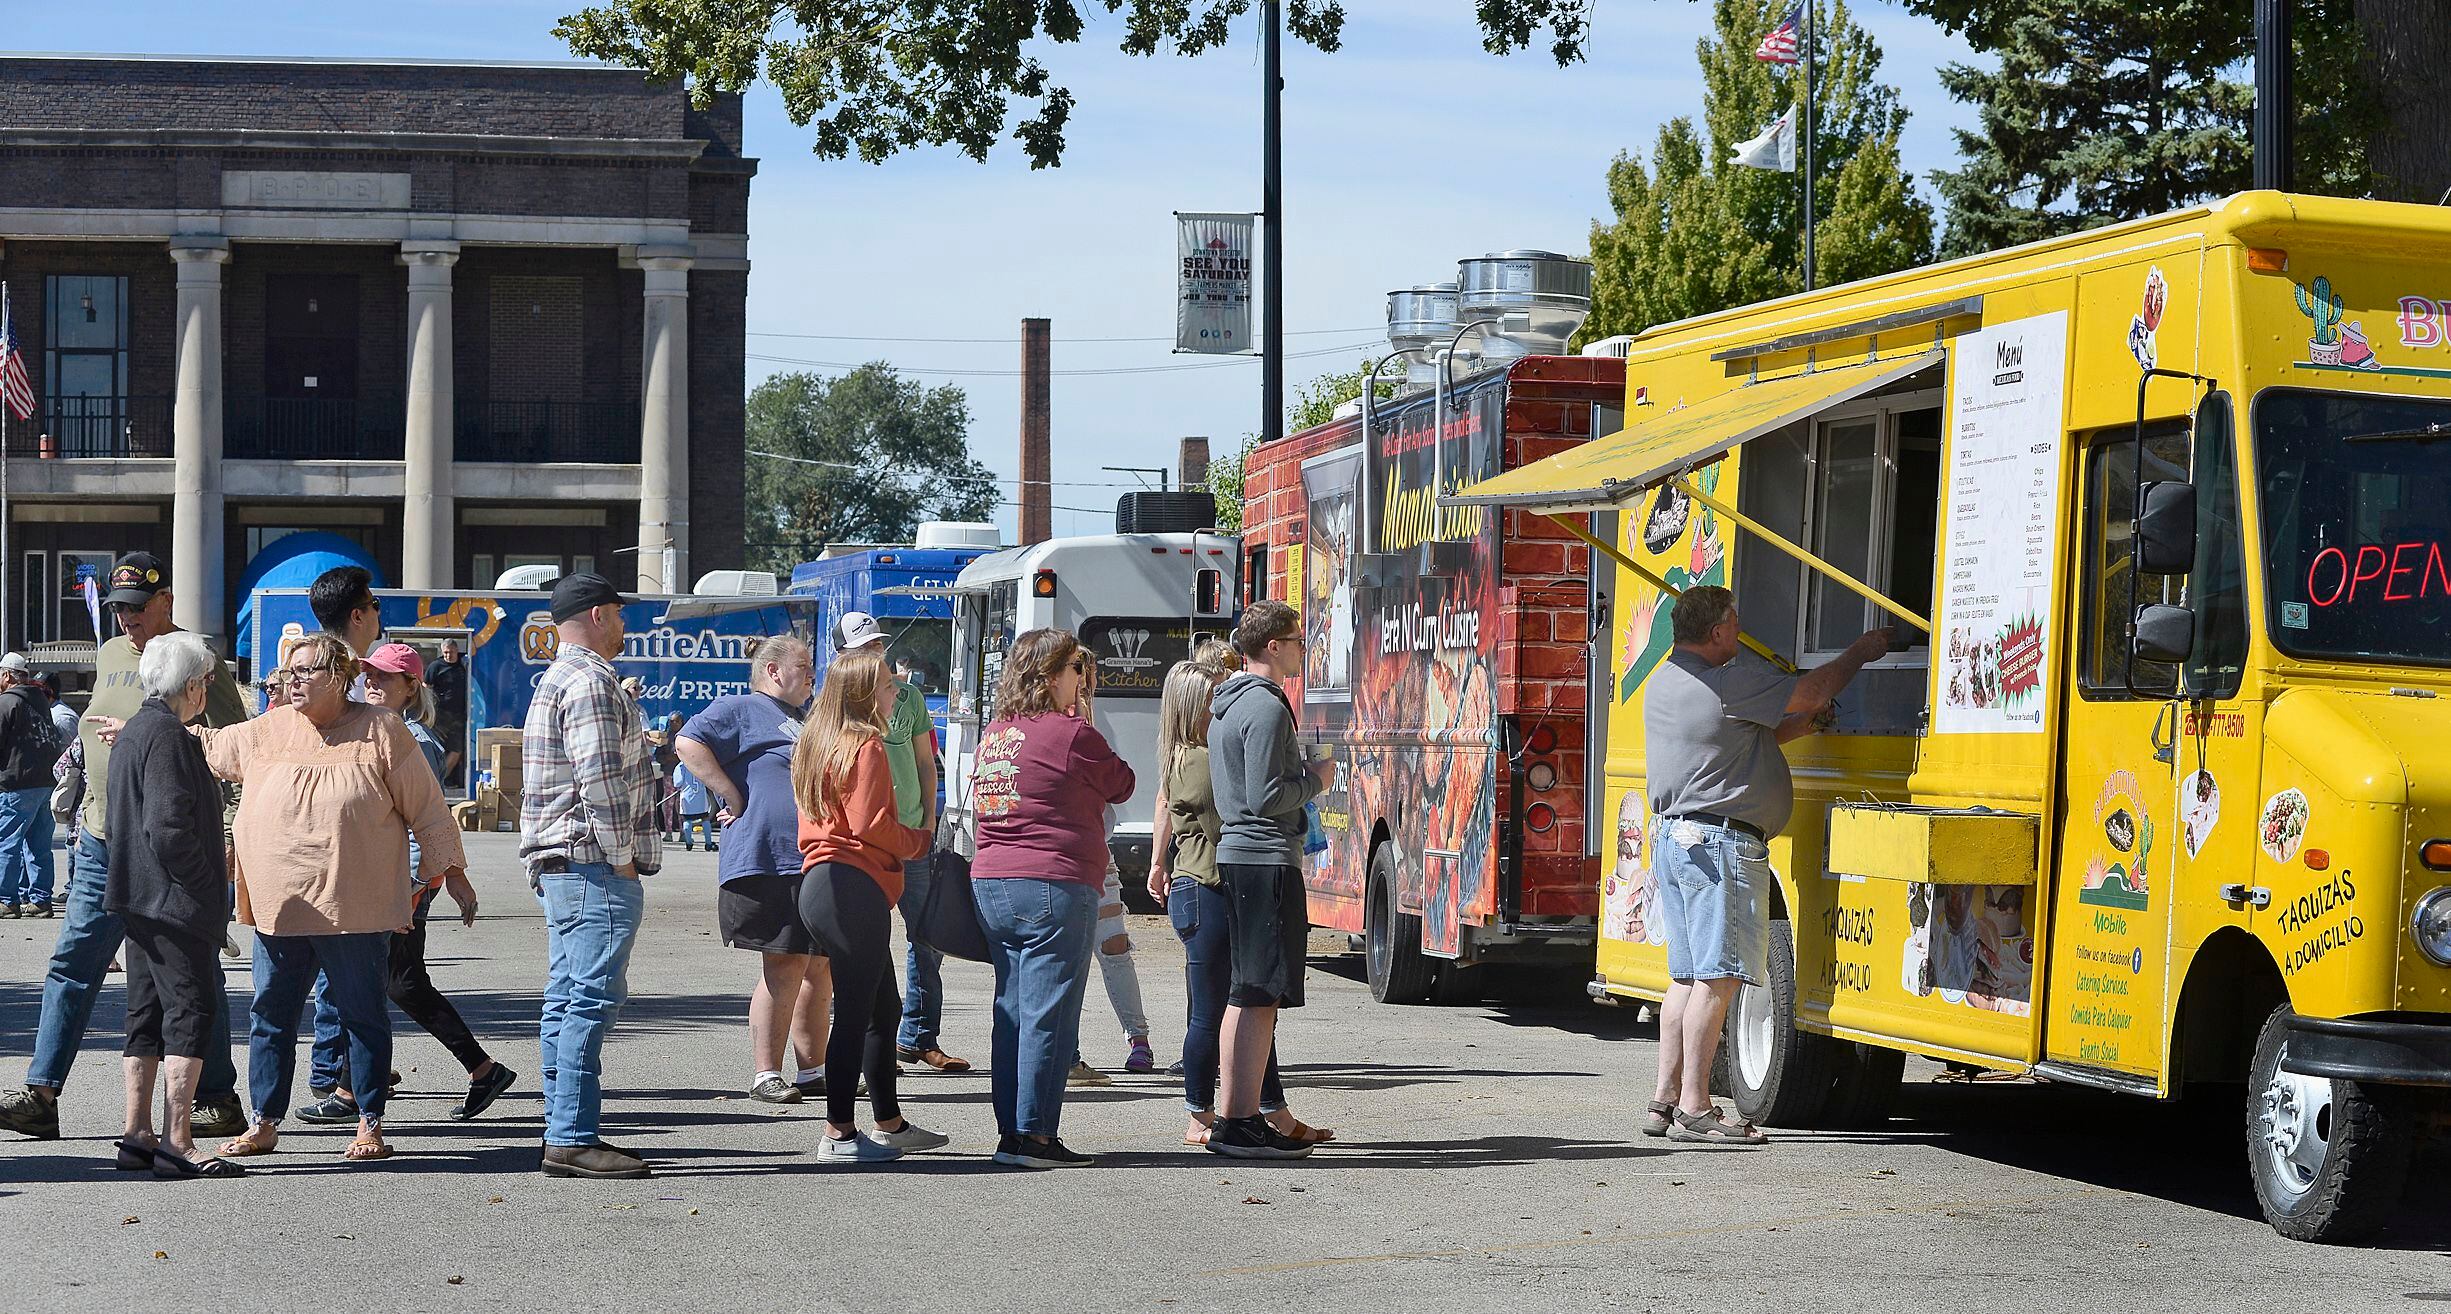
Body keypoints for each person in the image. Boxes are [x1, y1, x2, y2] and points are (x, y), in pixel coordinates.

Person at [0, 551, 252, 1142]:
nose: (127, 620)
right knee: (72, 964)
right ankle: (43, 1093)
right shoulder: (112, 654)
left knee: (193, 972)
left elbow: (229, 746)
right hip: (99, 838)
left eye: (138, 608)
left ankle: (217, 1096)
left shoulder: (197, 659)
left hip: (164, 846)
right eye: (119, 608)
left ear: (166, 601)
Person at [198, 631, 470, 1164]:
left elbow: (428, 807)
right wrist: (144, 730)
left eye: (304, 673)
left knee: (362, 1014)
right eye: (287, 673)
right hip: (282, 906)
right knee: (270, 1016)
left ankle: (370, 1122)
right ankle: (265, 1122)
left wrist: (453, 871)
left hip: (356, 907)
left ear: (339, 678)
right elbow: (206, 745)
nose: (289, 683)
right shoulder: (268, 729)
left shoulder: (381, 730)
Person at [1642, 586, 1887, 1146]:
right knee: (1720, 976)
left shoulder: (1669, 680)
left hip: (1677, 842)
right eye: (1736, 623)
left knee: (1686, 979)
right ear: (1720, 630)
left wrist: (1802, 726)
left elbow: (1731, 743)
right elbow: (1811, 690)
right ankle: (1698, 1109)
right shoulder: (1729, 682)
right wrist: (1860, 651)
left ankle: (1663, 1099)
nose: (1739, 632)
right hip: (1719, 847)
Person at [295, 644, 511, 1125]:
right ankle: (466, 1071)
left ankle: (473, 1071)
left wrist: (418, 883)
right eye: (369, 674)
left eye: (387, 678)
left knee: (391, 983)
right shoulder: (376, 729)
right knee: (389, 982)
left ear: (412, 686)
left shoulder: (413, 739)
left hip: (403, 882)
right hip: (386, 880)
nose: (373, 683)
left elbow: (425, 819)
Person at [1147, 659, 1331, 1149]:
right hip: (1208, 884)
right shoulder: (1203, 761)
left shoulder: (1181, 756)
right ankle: (1207, 1114)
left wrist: (1157, 863)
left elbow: (1167, 809)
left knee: (1249, 1001)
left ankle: (1263, 1111)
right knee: (1228, 1003)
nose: (1220, 704)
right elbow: (1226, 817)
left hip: (1199, 881)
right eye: (1210, 696)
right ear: (1193, 707)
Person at [970, 628, 1135, 1169]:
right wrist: (1082, 720)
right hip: (1054, 881)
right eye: (1074, 670)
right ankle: (1035, 1135)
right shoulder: (1069, 734)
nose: (1080, 680)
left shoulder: (996, 732)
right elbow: (1122, 782)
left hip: (992, 880)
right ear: (1050, 676)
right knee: (1050, 1012)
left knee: (1013, 1010)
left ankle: (1012, 1133)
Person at [520, 572, 662, 1179]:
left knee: (567, 999)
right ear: (599, 615)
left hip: (565, 861)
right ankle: (573, 1136)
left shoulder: (561, 677)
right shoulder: (590, 682)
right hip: (591, 860)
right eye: (621, 615)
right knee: (589, 999)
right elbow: (600, 781)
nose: (626, 625)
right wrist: (622, 855)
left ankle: (563, 1129)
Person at [793, 645, 949, 1163]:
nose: (895, 690)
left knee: (883, 1007)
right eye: (887, 683)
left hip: (824, 883)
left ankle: (890, 1122)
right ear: (864, 692)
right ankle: (838, 1133)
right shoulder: (866, 744)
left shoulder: (818, 740)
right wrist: (917, 839)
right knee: (858, 1011)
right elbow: (869, 825)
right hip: (850, 885)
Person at [103, 632, 243, 1178]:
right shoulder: (168, 736)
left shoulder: (137, 728)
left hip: (138, 898)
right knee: (189, 1012)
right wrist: (208, 884)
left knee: (146, 1014)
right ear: (192, 686)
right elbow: (168, 828)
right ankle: (175, 1140)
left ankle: (137, 1134)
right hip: (173, 900)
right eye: (206, 679)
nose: (207, 688)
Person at [674, 635, 833, 1104]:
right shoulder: (741, 707)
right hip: (768, 858)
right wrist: (730, 793)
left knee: (819, 965)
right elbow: (688, 742)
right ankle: (767, 1072)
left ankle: (814, 1070)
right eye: (803, 667)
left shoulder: (803, 719)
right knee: (784, 962)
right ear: (773, 671)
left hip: (812, 858)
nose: (811, 676)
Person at [1207, 599, 1335, 1159]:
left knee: (1247, 992)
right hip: (1263, 855)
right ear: (1274, 646)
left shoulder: (1227, 703)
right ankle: (1238, 1121)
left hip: (1239, 855)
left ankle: (1237, 1117)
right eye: (1297, 639)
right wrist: (1315, 782)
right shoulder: (1266, 707)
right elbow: (1264, 795)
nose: (1302, 647)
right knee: (1259, 994)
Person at [835, 611, 969, 1076]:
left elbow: (926, 762)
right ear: (845, 655)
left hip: (912, 838)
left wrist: (931, 823)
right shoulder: (835, 705)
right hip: (861, 846)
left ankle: (919, 1037)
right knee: (861, 948)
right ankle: (865, 1043)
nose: (877, 651)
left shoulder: (908, 696)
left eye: (879, 643)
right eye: (866, 646)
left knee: (927, 937)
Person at [0, 651, 65, 918]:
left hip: (17, 783)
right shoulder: (40, 701)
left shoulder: (6, 702)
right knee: (39, 845)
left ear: (6, 675)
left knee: (7, 842)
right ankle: (41, 900)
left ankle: (7, 900)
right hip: (45, 782)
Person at [429, 637, 469, 788]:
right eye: (445, 652)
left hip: (459, 716)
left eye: (451, 652)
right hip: (440, 715)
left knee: (456, 750)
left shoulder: (463, 665)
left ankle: (440, 780)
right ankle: (437, 781)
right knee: (438, 749)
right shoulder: (436, 666)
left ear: (456, 651)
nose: (448, 655)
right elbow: (426, 686)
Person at [676, 761, 716, 852]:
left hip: (687, 797)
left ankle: (689, 843)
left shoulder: (681, 766)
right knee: (705, 819)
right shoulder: (701, 763)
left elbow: (677, 783)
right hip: (701, 796)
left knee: (687, 820)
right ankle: (708, 843)